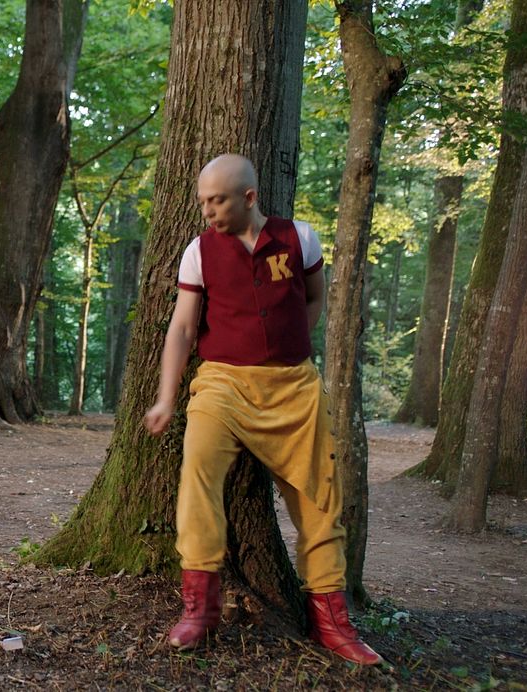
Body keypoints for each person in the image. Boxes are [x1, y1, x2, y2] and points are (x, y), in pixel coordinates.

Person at [142, 153, 382, 666]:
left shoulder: (300, 238)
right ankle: (200, 608)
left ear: (249, 197)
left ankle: (332, 620)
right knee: (197, 474)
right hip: (222, 384)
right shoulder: (198, 252)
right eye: (202, 200)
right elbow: (183, 329)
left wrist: (286, 346)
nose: (207, 210)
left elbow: (313, 299)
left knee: (321, 496)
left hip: (294, 387)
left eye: (217, 200)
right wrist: (165, 397)